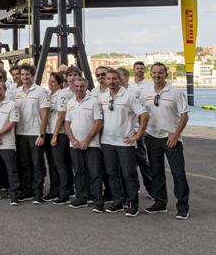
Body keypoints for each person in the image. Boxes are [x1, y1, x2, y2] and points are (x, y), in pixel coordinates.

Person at [143, 62, 191, 220]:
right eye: (154, 72)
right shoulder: (146, 91)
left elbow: (184, 115)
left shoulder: (176, 92)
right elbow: (142, 113)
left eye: (160, 73)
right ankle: (160, 202)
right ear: (151, 74)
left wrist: (176, 134)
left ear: (166, 74)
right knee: (156, 172)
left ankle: (183, 206)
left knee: (178, 173)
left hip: (170, 138)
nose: (157, 75)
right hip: (152, 137)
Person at [99, 68, 149, 217]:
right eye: (108, 79)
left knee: (129, 174)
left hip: (125, 142)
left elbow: (144, 115)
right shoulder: (102, 97)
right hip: (107, 141)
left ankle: (133, 203)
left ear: (120, 80)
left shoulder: (129, 96)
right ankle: (118, 201)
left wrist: (138, 133)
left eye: (114, 79)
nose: (111, 82)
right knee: (112, 173)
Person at [65, 77, 105, 212]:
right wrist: (73, 140)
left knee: (95, 173)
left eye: (81, 87)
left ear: (86, 87)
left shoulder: (94, 102)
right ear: (73, 87)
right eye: (76, 87)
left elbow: (98, 123)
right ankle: (82, 197)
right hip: (75, 145)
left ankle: (98, 201)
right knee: (79, 172)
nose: (79, 89)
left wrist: (87, 140)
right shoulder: (70, 103)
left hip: (92, 144)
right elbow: (67, 123)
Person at [14, 63, 51, 204]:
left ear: (32, 75)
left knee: (37, 164)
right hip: (20, 133)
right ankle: (27, 190)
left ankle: (37, 193)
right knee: (24, 164)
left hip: (35, 133)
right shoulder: (16, 92)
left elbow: (45, 114)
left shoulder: (40, 91)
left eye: (27, 74)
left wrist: (41, 134)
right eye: (22, 74)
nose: (24, 77)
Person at [46, 71, 73, 205]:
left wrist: (55, 135)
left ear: (60, 84)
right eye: (49, 81)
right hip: (49, 132)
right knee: (53, 165)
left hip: (59, 133)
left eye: (53, 82)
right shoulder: (50, 95)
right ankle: (54, 189)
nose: (50, 84)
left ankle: (64, 193)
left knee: (61, 165)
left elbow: (61, 116)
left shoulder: (61, 95)